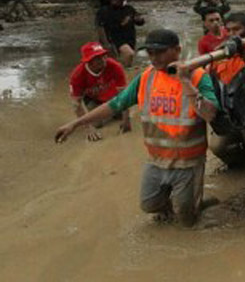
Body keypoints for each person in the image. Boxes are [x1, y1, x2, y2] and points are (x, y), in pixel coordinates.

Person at [55, 29, 220, 227]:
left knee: (187, 221)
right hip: (156, 160)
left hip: (188, 163)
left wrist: (184, 81)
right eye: (150, 53)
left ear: (177, 50)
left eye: (160, 52)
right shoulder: (146, 78)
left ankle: (194, 205)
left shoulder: (199, 77)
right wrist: (76, 124)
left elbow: (211, 114)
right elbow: (115, 104)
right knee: (149, 205)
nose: (154, 58)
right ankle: (190, 200)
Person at [207, 12, 245, 169]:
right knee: (217, 147)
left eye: (237, 29)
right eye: (229, 30)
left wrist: (242, 43)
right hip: (231, 113)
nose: (232, 34)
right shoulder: (222, 53)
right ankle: (239, 163)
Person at [69, 42, 130, 141]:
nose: (102, 60)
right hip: (93, 99)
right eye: (97, 58)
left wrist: (126, 120)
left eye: (103, 56)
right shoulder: (77, 75)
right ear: (88, 61)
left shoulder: (115, 66)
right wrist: (88, 128)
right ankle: (103, 113)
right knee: (96, 124)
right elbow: (76, 103)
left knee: (121, 116)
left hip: (113, 98)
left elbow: (124, 94)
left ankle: (110, 113)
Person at [95, 0, 145, 67]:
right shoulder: (105, 11)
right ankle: (123, 71)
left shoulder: (129, 9)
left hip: (130, 39)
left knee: (123, 60)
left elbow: (140, 22)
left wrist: (139, 20)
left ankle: (124, 72)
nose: (120, 2)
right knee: (129, 54)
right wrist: (106, 43)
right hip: (115, 39)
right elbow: (101, 27)